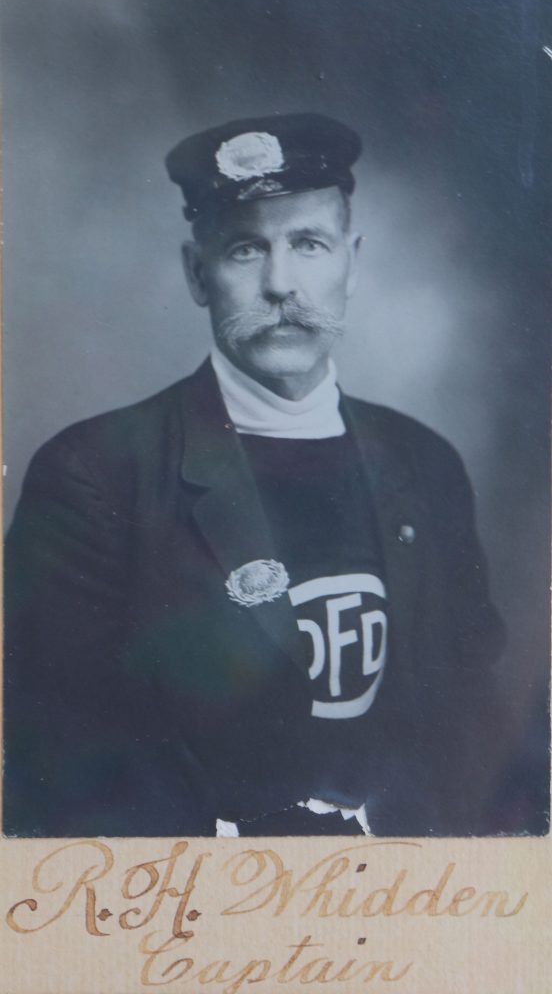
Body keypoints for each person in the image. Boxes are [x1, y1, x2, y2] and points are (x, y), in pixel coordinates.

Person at [3, 114, 505, 839]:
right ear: (196, 273)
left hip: (400, 897)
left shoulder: (424, 463)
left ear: (352, 263)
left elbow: (466, 710)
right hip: (192, 908)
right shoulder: (95, 475)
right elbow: (52, 759)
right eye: (246, 249)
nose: (280, 284)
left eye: (308, 244)